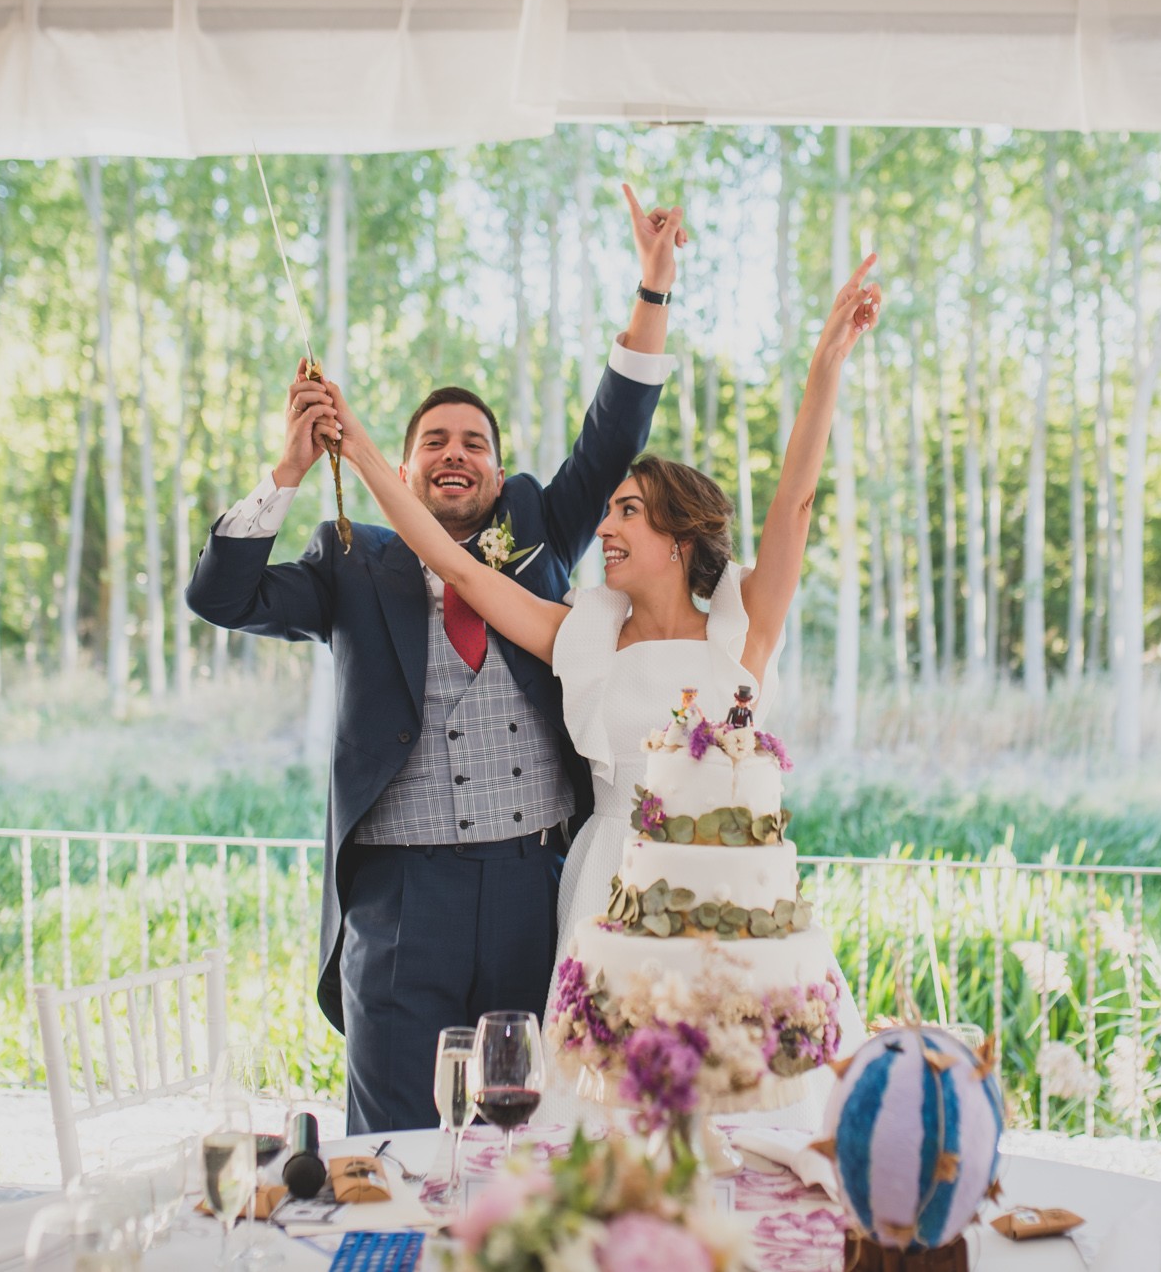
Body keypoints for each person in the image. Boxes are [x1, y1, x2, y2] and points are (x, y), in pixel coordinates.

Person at [319, 252, 883, 1126]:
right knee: (601, 1125)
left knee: (738, 1118)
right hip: (606, 896)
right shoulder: (581, 630)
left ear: (678, 537)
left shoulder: (744, 625)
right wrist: (359, 449)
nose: (602, 527)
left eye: (625, 512)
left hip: (736, 910)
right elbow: (457, 570)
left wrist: (824, 370)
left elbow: (797, 503)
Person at [184, 187, 689, 1133]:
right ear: (403, 471)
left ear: (500, 473)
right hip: (400, 899)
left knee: (532, 1135)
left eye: (475, 444)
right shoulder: (350, 554)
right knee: (395, 1146)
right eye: (433, 443)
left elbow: (615, 432)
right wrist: (288, 471)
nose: (455, 454)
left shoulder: (541, 528)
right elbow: (222, 597)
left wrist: (652, 287)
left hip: (533, 885)